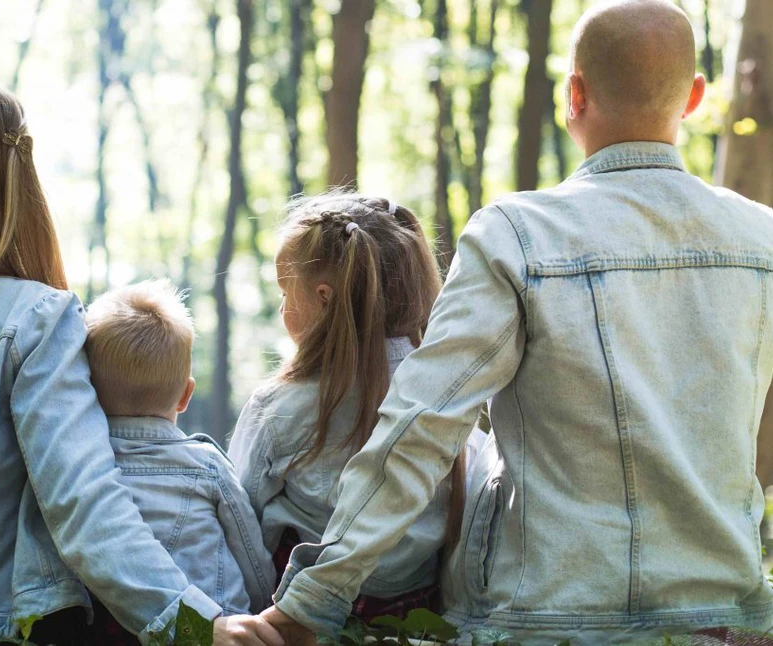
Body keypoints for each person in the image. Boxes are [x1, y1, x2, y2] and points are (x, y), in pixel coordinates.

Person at [260, 1, 773, 644]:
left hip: (542, 620)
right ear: (695, 97)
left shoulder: (519, 236)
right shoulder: (763, 241)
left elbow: (422, 426)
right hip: (724, 622)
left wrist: (313, 598)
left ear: (574, 95)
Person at [0, 79, 282, 646]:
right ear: (15, 182)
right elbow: (83, 502)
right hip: (3, 633)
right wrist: (194, 623)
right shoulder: (35, 317)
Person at [228, 193, 487, 623]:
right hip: (416, 620)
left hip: (296, 622)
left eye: (285, 292)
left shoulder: (279, 408)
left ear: (324, 298)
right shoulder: (449, 402)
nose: (280, 308)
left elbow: (239, 522)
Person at [80, 279, 275, 644]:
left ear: (86, 391)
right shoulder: (207, 466)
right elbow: (251, 556)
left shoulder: (80, 471)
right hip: (219, 628)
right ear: (186, 395)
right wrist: (262, 609)